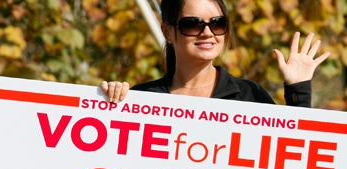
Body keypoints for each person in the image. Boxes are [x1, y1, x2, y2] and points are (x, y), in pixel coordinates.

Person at [100, 0, 330, 105]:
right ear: (168, 32)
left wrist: (298, 89)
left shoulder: (250, 96)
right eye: (193, 24)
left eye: (217, 23)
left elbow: (290, 159)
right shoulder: (142, 98)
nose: (208, 33)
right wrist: (109, 101)